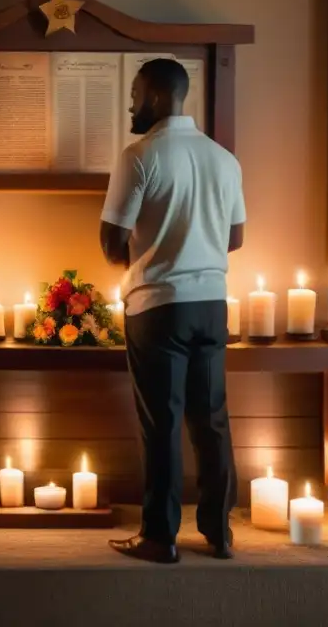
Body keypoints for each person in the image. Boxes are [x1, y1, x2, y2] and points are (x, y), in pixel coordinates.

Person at [100, 58, 246, 564]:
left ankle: (160, 537)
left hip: (158, 307)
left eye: (136, 92)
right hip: (212, 304)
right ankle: (219, 532)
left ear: (159, 97)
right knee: (212, 421)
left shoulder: (139, 156)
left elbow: (110, 240)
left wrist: (152, 257)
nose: (131, 103)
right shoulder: (224, 160)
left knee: (161, 423)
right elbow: (237, 238)